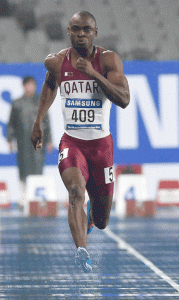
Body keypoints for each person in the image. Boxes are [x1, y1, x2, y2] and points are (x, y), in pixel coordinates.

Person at [31, 11, 130, 273]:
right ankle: (81, 250)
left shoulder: (108, 59)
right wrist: (38, 121)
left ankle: (89, 221)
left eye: (87, 30)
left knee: (102, 220)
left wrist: (95, 75)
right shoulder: (55, 62)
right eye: (76, 29)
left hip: (101, 147)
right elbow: (51, 85)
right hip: (71, 143)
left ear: (95, 33)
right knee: (75, 192)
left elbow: (124, 99)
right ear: (69, 31)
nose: (81, 35)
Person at [7, 76, 53, 209]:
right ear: (23, 86)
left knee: (38, 166)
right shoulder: (17, 103)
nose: (30, 87)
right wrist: (10, 139)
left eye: (33, 85)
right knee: (23, 168)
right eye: (28, 85)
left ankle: (38, 197)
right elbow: (11, 123)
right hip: (22, 141)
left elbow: (46, 122)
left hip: (38, 141)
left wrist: (49, 140)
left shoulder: (41, 101)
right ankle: (23, 197)